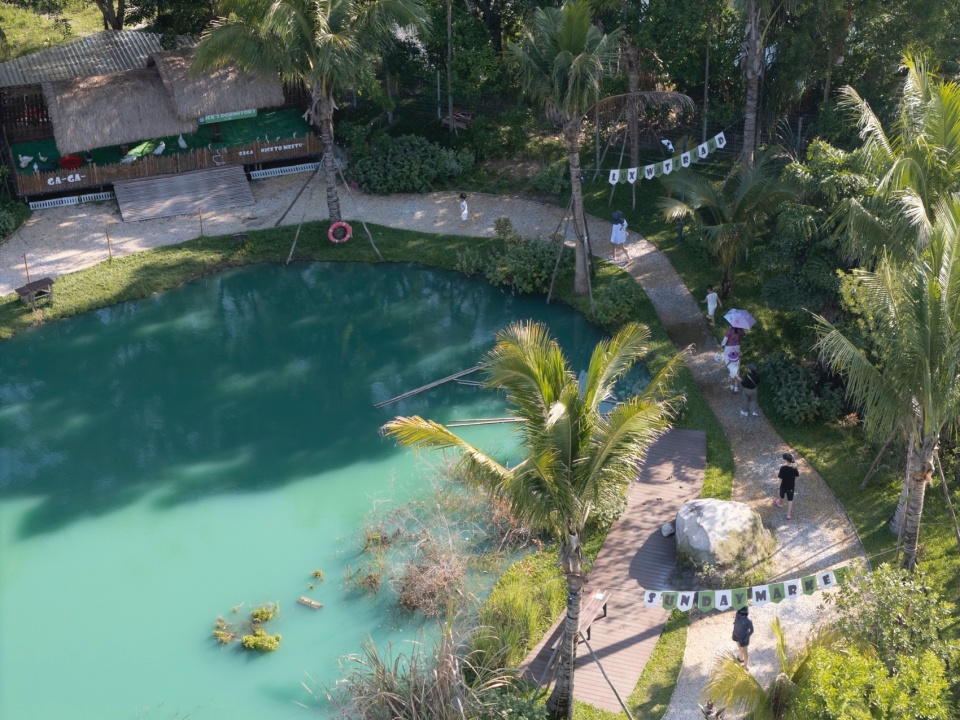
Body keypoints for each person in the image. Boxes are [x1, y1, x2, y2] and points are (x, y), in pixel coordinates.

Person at [721, 326, 745, 392]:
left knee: (727, 357)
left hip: (729, 346)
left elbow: (725, 338)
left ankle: (730, 368)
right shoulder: (741, 329)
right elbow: (744, 336)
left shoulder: (730, 329)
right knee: (736, 357)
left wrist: (722, 344)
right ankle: (735, 370)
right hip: (737, 346)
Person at [776, 452, 800, 520]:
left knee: (781, 496)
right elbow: (796, 476)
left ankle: (780, 504)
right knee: (790, 500)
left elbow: (780, 479)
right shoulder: (794, 468)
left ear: (786, 460)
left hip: (783, 486)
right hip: (791, 487)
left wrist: (778, 488)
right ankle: (788, 514)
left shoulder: (783, 468)